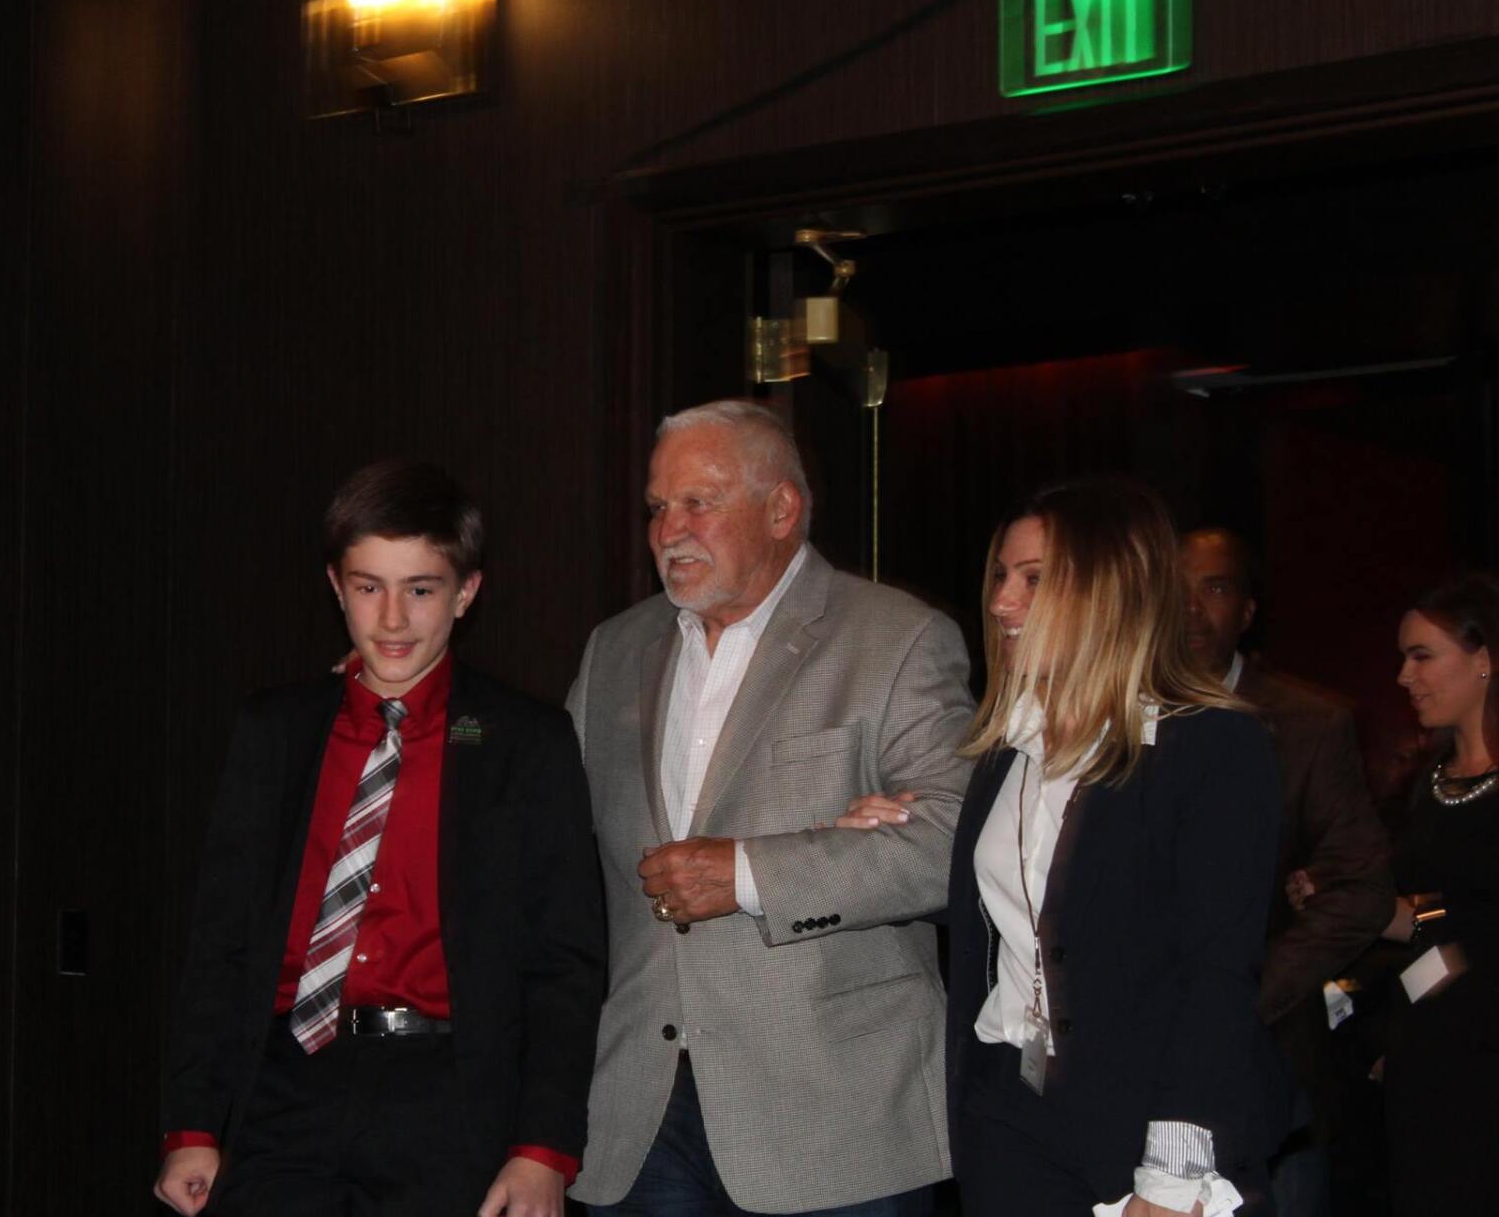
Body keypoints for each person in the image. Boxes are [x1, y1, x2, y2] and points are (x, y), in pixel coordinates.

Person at [154, 460, 605, 1217]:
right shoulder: (276, 730)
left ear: (466, 592)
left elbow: (564, 963)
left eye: (420, 590)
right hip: (283, 1087)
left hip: (450, 1099)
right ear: (336, 586)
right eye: (369, 588)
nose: (392, 620)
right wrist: (192, 1122)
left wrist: (542, 1149)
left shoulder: (525, 741)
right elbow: (220, 941)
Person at [565, 399, 975, 1216]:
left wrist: (750, 874)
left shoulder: (896, 638)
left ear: (782, 509)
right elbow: (548, 825)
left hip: (834, 1118)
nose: (669, 531)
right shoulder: (616, 648)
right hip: (644, 1110)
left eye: (699, 503)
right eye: (658, 507)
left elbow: (952, 844)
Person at [849, 480, 1288, 1216]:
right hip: (1006, 1114)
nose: (1001, 603)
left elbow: (1216, 975)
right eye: (1001, 576)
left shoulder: (1211, 746)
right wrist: (905, 826)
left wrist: (1173, 1171)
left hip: (1145, 1126)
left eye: (1035, 580)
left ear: (1114, 591)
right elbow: (1031, 903)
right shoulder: (1006, 751)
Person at [1179, 528, 1392, 1216]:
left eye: (1214, 588)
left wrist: (1246, 993)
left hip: (1271, 1060)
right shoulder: (1118, 718)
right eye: (1175, 589)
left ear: (1247, 610)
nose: (1191, 608)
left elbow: (1359, 890)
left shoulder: (1308, 725)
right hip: (1142, 1061)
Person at [1378, 573, 1499, 1217]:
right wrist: (1363, 905)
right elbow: (1440, 912)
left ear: (1484, 660)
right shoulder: (1429, 782)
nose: (1405, 676)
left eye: (1422, 655)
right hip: (1429, 1052)